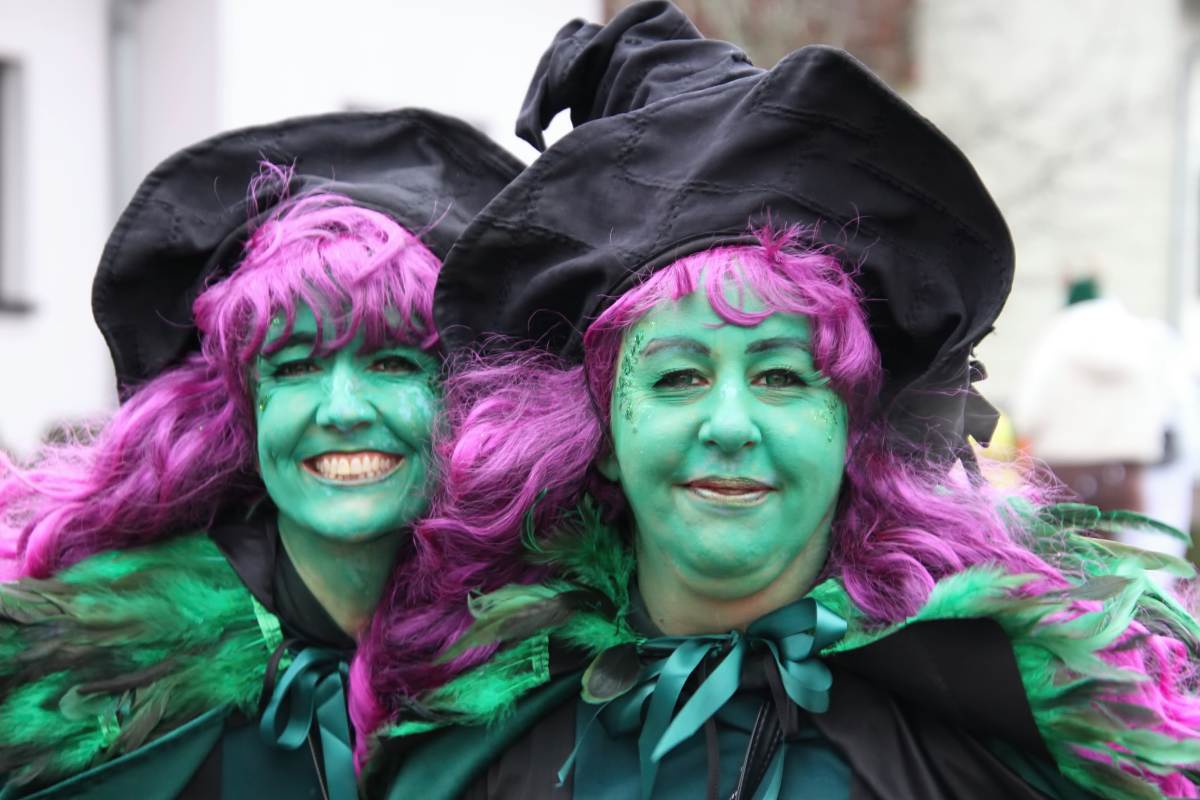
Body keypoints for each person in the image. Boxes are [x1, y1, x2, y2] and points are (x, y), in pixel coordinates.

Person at [363, 5, 1200, 799]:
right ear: (604, 435)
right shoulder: (478, 749)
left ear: (851, 428)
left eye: (782, 377)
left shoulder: (992, 746)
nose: (730, 425)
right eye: (679, 377)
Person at [0, 109, 520, 798]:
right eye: (295, 367)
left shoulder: (535, 657)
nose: (342, 410)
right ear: (243, 411)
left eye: (393, 363)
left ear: (462, 400)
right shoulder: (92, 659)